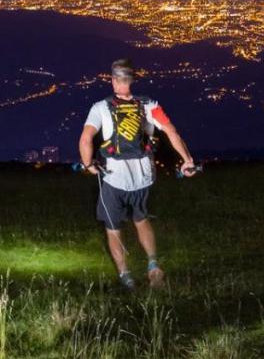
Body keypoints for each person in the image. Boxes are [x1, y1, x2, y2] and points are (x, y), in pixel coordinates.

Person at [78, 57, 196, 290]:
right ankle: (153, 265)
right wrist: (187, 160)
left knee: (113, 228)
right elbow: (171, 132)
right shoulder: (150, 105)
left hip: (114, 178)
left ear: (113, 81)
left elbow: (85, 138)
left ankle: (126, 276)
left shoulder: (101, 107)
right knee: (141, 220)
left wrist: (88, 164)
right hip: (143, 177)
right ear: (131, 80)